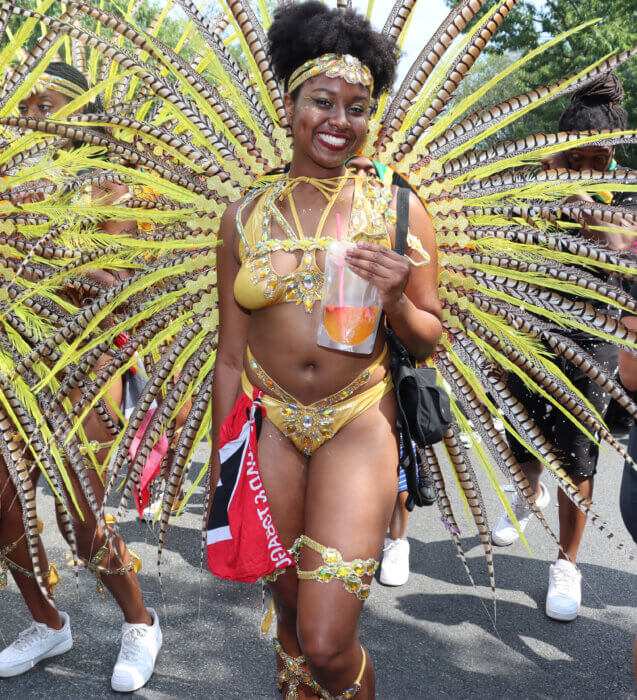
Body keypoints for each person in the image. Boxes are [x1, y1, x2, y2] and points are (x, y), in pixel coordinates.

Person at [206, 3, 441, 697]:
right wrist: (228, 468)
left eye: (357, 107)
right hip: (269, 423)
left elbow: (427, 341)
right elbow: (228, 355)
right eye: (322, 101)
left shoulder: (397, 208)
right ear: (290, 106)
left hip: (356, 424)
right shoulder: (245, 215)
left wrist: (397, 299)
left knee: (329, 640)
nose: (339, 120)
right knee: (287, 622)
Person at [0, 62, 161, 692]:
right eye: (27, 104)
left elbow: (114, 284)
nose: (32, 116)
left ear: (80, 114)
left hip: (86, 369)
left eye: (46, 105)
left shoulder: (111, 189)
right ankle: (47, 623)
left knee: (81, 514)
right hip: (18, 367)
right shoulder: (12, 186)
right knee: (5, 509)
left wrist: (34, 258)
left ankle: (141, 622)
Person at [491, 72, 637, 622]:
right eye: (576, 157)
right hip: (529, 326)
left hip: (593, 335)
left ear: (613, 152)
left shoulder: (625, 187)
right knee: (521, 430)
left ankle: (567, 563)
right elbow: (505, 247)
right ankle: (528, 490)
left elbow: (618, 245)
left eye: (597, 159)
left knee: (577, 448)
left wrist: (571, 189)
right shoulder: (534, 181)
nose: (587, 166)